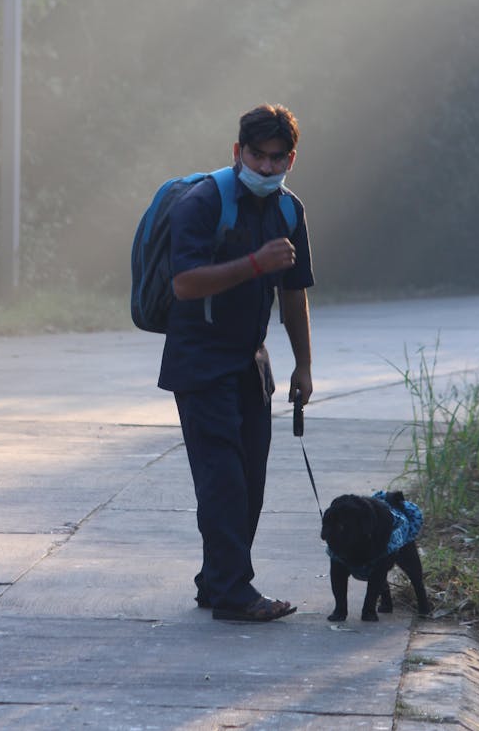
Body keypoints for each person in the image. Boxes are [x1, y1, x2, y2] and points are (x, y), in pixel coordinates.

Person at [158, 103, 314, 622]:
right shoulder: (203, 203)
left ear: (291, 157)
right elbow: (184, 285)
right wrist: (254, 264)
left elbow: (294, 293)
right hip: (199, 359)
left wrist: (304, 366)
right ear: (237, 152)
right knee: (222, 477)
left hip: (251, 360)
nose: (267, 169)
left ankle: (216, 580)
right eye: (257, 156)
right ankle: (233, 591)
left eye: (278, 159)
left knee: (250, 478)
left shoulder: (289, 210)